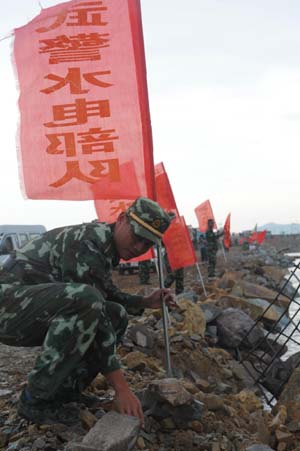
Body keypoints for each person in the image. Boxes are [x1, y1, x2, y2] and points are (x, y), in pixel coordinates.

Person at [0, 197, 176, 426]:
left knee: (116, 314)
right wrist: (121, 388)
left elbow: (106, 295)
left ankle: (64, 394)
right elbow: (92, 304)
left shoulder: (105, 245)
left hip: (26, 310)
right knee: (89, 303)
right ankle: (35, 400)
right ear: (122, 219)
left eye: (148, 244)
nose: (139, 247)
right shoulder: (87, 241)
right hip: (7, 310)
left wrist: (144, 301)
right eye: (137, 237)